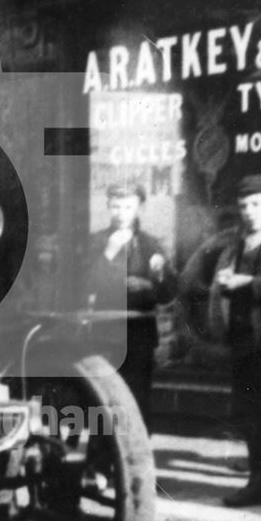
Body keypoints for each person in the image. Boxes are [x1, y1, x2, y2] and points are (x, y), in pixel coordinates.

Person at [179, 175, 261, 507]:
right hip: (244, 342)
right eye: (244, 205)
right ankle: (258, 481)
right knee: (251, 415)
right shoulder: (236, 243)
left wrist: (244, 282)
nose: (249, 212)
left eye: (257, 204)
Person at [85, 184, 175, 430]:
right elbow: (86, 284)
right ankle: (100, 459)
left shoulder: (150, 245)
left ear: (140, 208)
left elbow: (167, 293)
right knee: (104, 396)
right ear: (108, 207)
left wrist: (155, 280)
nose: (121, 213)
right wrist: (110, 252)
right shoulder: (97, 242)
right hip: (106, 330)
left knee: (138, 395)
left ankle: (139, 458)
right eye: (115, 206)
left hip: (140, 331)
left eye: (128, 207)